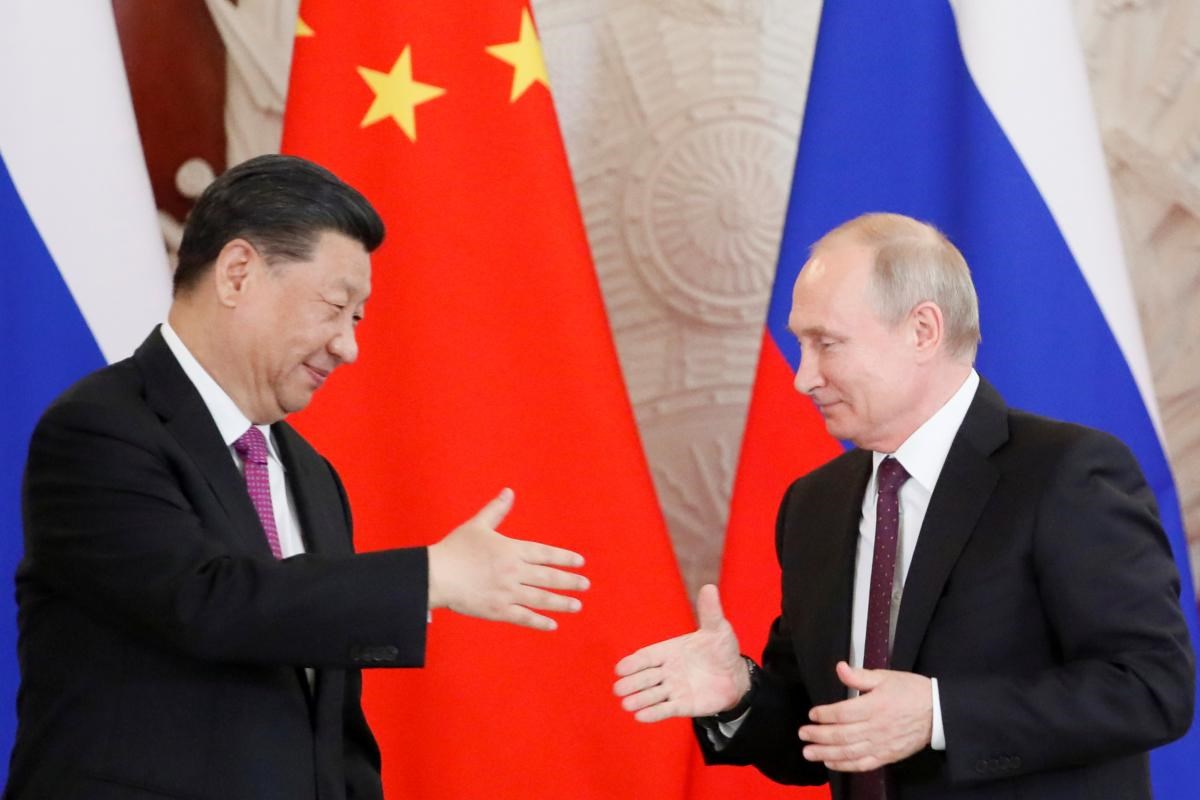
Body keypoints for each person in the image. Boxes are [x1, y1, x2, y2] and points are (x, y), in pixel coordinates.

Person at [6, 154, 589, 800]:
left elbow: (331, 731)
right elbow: (206, 602)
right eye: (334, 308)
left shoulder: (311, 476)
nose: (348, 346)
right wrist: (431, 575)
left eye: (357, 320)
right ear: (237, 274)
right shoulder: (98, 429)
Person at [613, 212, 1194, 799]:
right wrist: (740, 692)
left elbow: (1153, 687)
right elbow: (817, 734)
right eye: (799, 344)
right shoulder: (814, 503)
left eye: (826, 343)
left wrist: (939, 716)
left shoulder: (1064, 472)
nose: (803, 377)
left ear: (922, 331)